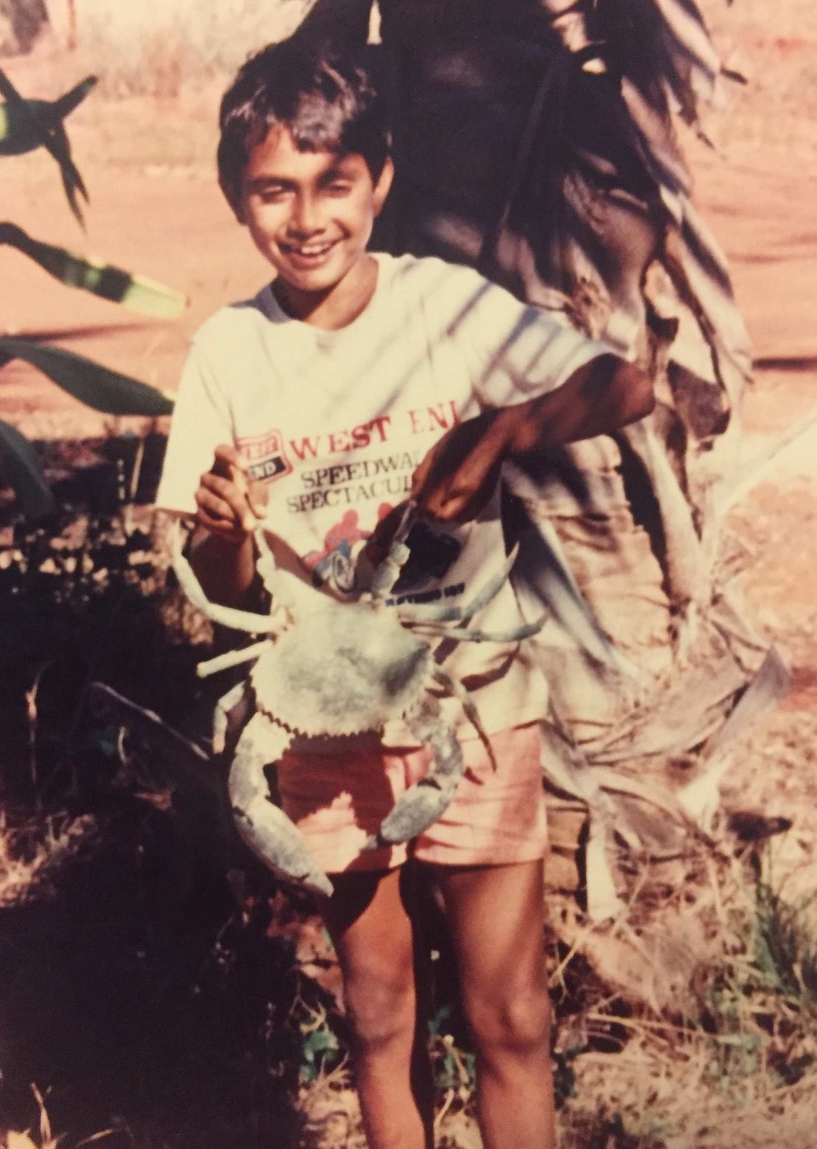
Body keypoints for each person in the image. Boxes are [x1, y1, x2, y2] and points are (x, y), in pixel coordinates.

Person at [156, 40, 653, 1149]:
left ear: (381, 177)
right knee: (379, 1015)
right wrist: (224, 535)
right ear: (237, 198)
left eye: (333, 183)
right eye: (273, 190)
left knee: (511, 1017)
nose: (306, 216)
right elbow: (209, 601)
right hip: (320, 724)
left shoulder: (439, 307)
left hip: (469, 698)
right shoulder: (228, 353)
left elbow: (626, 383)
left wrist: (495, 436)